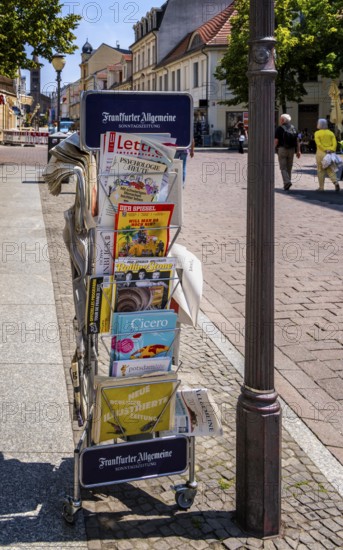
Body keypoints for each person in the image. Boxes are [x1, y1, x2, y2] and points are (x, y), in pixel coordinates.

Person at [274, 113, 301, 191]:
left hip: (282, 149)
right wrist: (298, 151)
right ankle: (287, 184)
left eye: (280, 119)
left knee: (283, 167)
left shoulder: (279, 129)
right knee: (289, 167)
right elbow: (298, 141)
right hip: (292, 150)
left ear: (282, 120)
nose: (280, 120)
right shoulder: (295, 128)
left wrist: (273, 148)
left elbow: (276, 140)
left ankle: (287, 181)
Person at [314, 119, 340, 192]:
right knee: (331, 169)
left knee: (320, 170)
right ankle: (336, 182)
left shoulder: (317, 133)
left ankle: (321, 187)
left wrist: (325, 149)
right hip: (330, 154)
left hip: (320, 153)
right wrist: (331, 149)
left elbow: (318, 144)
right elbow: (335, 143)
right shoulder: (331, 133)